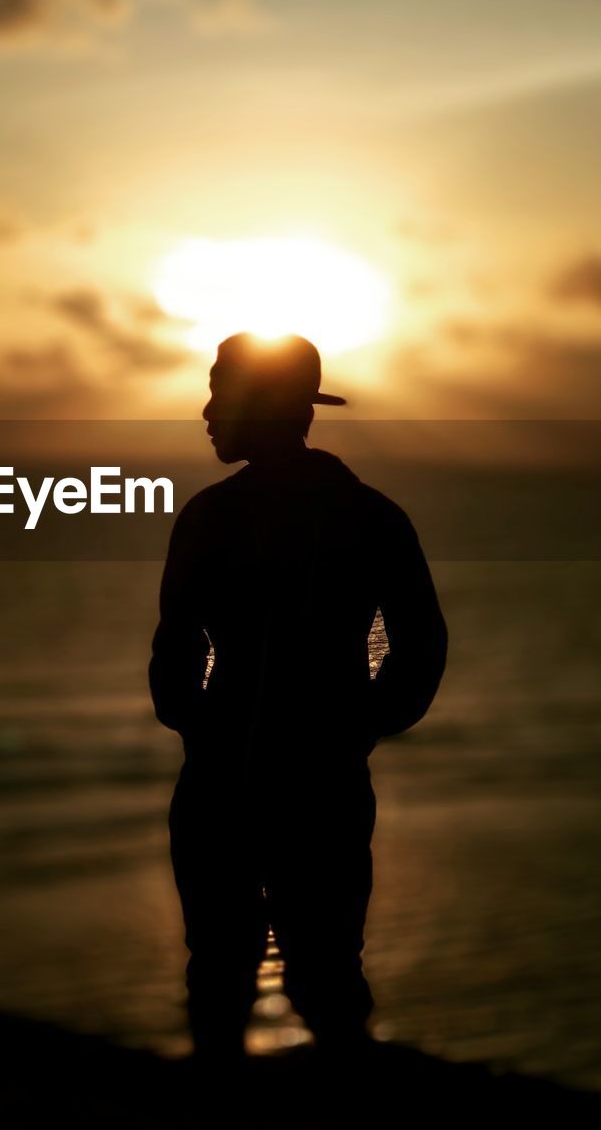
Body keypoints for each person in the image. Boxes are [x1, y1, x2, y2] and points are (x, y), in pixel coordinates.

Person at [148, 332, 448, 1066]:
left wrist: (347, 729)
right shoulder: (366, 515)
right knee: (297, 970)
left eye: (221, 392)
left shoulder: (219, 517)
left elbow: (175, 655)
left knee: (263, 972)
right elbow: (419, 650)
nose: (207, 410)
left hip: (267, 781)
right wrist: (356, 726)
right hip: (283, 779)